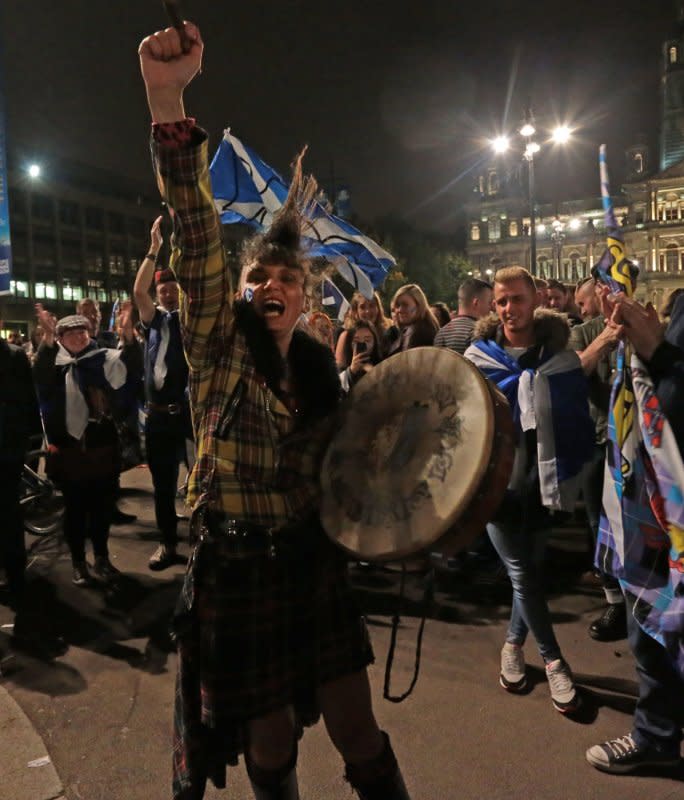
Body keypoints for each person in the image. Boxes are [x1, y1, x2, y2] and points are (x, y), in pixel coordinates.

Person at [138, 21, 410, 800]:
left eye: (282, 280)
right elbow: (196, 236)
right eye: (256, 278)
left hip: (309, 567)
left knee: (358, 730)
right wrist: (167, 100)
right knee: (271, 736)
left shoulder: (328, 380)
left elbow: (359, 485)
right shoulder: (217, 346)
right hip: (237, 570)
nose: (266, 288)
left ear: (307, 295)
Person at [465, 266, 594, 715]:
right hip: (498, 486)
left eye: (516, 299)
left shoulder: (559, 356)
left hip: (544, 483)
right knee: (521, 574)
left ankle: (512, 646)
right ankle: (556, 661)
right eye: (500, 301)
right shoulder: (478, 358)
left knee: (530, 575)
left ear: (534, 298)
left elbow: (575, 411)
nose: (508, 309)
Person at [586, 294, 684, 774]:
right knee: (652, 629)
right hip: (658, 508)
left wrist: (658, 353)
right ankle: (657, 733)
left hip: (673, 509)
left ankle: (657, 735)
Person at [33, 305, 142, 586]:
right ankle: (79, 562)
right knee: (75, 510)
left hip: (101, 445)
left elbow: (130, 370)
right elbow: (41, 380)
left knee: (102, 508)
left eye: (82, 331)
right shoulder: (54, 364)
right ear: (60, 338)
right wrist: (46, 340)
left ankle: (103, 557)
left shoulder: (103, 359)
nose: (78, 337)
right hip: (69, 449)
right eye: (70, 333)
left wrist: (128, 336)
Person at [134, 215, 193, 571]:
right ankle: (168, 544)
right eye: (163, 290)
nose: (167, 292)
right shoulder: (153, 320)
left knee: (201, 484)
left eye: (173, 288)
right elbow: (138, 291)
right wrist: (154, 250)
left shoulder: (190, 318)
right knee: (163, 486)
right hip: (157, 417)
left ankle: (204, 549)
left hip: (188, 415)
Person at [569, 297, 626, 641]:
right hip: (596, 440)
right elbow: (578, 369)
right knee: (598, 522)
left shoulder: (644, 327)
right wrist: (607, 338)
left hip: (636, 441)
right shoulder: (583, 332)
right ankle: (615, 600)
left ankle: (644, 597)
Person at [0, 307, 40, 608]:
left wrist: (28, 440)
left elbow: (28, 400)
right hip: (10, 445)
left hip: (6, 449)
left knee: (8, 514)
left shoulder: (14, 356)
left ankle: (15, 579)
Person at [433, 277, 493, 355]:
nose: (491, 307)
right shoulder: (478, 332)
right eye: (489, 302)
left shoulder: (441, 332)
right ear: (476, 303)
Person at [335, 291, 390, 368]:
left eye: (372, 305)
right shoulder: (345, 335)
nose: (367, 311)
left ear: (378, 308)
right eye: (362, 307)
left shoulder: (387, 333)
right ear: (356, 311)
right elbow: (339, 371)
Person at [387, 284, 439, 356]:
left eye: (405, 305)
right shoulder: (411, 328)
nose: (400, 310)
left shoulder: (419, 331)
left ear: (419, 305)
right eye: (398, 305)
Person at [338, 320, 383, 394]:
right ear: (349, 343)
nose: (362, 344)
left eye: (367, 340)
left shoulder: (383, 365)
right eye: (356, 341)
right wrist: (351, 371)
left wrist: (373, 372)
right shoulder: (341, 369)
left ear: (375, 342)